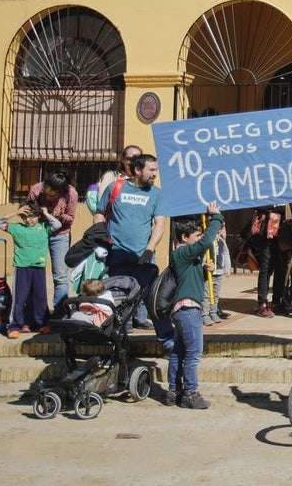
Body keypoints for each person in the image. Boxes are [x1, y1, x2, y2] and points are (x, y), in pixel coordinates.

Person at [95, 153, 165, 329]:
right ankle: (121, 335)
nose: (155, 174)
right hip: (116, 255)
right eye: (151, 170)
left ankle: (162, 335)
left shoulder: (157, 193)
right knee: (118, 298)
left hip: (143, 256)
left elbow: (160, 224)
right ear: (137, 170)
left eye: (156, 170)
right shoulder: (115, 187)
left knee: (150, 298)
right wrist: (100, 238)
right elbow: (100, 214)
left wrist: (150, 249)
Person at [165, 204, 223, 409]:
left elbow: (191, 281)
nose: (200, 239)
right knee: (194, 353)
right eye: (196, 235)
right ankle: (190, 393)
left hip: (183, 309)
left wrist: (205, 270)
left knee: (178, 352)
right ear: (184, 237)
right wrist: (216, 217)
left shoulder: (187, 257)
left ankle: (173, 391)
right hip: (188, 310)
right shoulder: (182, 253)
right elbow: (207, 241)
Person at [0, 200, 61, 338]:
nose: (28, 220)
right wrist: (15, 213)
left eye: (31, 216)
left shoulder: (44, 227)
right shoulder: (16, 228)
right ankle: (15, 325)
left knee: (40, 298)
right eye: (25, 217)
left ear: (38, 216)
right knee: (19, 298)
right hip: (22, 267)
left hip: (39, 267)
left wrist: (46, 213)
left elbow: (57, 225)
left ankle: (41, 324)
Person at [26, 171, 77, 317]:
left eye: (52, 196)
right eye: (46, 194)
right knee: (32, 272)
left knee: (60, 276)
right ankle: (34, 314)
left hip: (60, 235)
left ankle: (60, 314)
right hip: (38, 233)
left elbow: (70, 217)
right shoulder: (36, 190)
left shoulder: (71, 194)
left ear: (60, 193)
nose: (47, 198)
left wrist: (60, 216)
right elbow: (27, 211)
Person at [248, 205, 288, 318]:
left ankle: (276, 302)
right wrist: (276, 206)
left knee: (281, 268)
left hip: (283, 233)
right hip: (265, 235)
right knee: (266, 268)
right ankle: (262, 304)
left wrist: (276, 208)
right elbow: (256, 204)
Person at [201, 224, 231, 326]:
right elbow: (202, 256)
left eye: (219, 231)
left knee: (215, 294)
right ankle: (205, 314)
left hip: (219, 272)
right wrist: (204, 265)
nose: (219, 233)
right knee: (206, 295)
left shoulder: (221, 242)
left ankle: (213, 312)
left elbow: (225, 254)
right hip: (208, 273)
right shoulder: (206, 241)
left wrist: (227, 267)